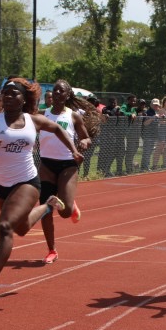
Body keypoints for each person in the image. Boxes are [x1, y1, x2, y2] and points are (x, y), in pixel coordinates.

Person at [0, 78, 83, 298]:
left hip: (27, 181)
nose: (8, 97)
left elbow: (58, 128)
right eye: (5, 93)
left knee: (5, 226)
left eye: (14, 93)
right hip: (1, 183)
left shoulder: (33, 121)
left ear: (24, 99)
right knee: (20, 229)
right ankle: (48, 206)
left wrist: (74, 151)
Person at [38, 79, 97, 263]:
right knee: (45, 209)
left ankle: (70, 206)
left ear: (67, 95)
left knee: (64, 212)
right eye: (54, 90)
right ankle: (51, 250)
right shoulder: (42, 115)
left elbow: (86, 138)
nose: (57, 94)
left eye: (61, 91)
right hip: (46, 164)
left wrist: (83, 143)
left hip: (68, 165)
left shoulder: (73, 116)